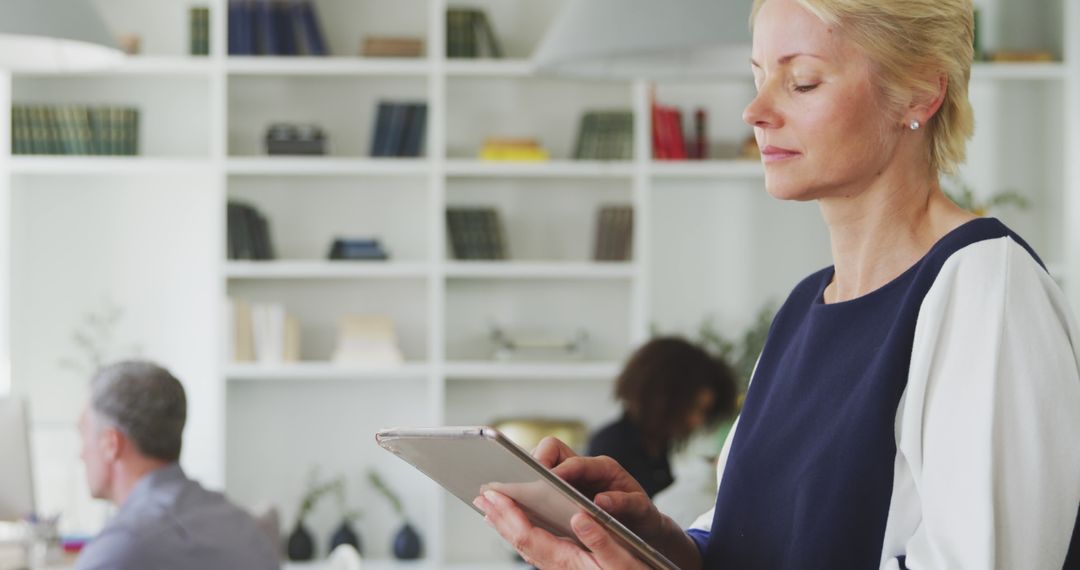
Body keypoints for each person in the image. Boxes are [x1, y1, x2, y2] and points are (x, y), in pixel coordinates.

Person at [473, 0, 1080, 567]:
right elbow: (760, 540)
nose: (755, 109)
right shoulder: (804, 306)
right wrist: (658, 543)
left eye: (802, 81)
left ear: (919, 92)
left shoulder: (984, 287)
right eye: (758, 74)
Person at [74, 361, 278, 570]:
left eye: (83, 434)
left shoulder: (122, 547)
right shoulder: (243, 525)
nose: (80, 454)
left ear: (111, 443)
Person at [586, 337, 736, 498]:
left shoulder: (663, 448)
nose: (696, 421)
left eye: (704, 413)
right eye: (692, 408)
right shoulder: (610, 446)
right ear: (664, 399)